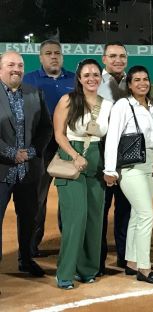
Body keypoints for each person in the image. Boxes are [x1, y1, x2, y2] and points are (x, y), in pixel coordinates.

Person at [52, 58, 113, 289]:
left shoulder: (107, 105)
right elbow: (59, 134)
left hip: (97, 159)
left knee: (95, 219)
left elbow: (110, 138)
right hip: (72, 157)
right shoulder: (68, 100)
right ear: (79, 78)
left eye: (95, 74)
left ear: (101, 77)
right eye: (86, 74)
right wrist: (75, 156)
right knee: (75, 218)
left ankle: (87, 269)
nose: (91, 78)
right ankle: (65, 272)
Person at [103, 65, 153, 284]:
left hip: (148, 164)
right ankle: (144, 268)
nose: (142, 83)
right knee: (147, 214)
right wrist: (110, 169)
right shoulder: (123, 105)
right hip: (130, 168)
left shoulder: (150, 106)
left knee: (138, 215)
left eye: (145, 79)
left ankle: (131, 261)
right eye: (136, 79)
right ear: (129, 84)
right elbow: (112, 137)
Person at [0, 51, 52, 277]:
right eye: (11, 64)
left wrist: (31, 151)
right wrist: (11, 153)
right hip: (2, 169)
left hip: (29, 171)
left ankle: (26, 258)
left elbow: (46, 128)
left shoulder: (34, 92)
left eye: (20, 65)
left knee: (29, 216)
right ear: (0, 68)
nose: (16, 69)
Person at [23, 39, 75, 257]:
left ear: (62, 56)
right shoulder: (30, 80)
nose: (53, 56)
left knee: (69, 196)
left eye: (57, 53)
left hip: (68, 145)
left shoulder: (74, 79)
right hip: (41, 147)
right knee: (38, 196)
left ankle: (70, 243)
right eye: (48, 53)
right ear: (40, 57)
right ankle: (32, 246)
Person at [97, 42, 131, 273]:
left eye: (122, 56)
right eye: (113, 56)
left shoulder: (133, 82)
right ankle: (97, 260)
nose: (118, 60)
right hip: (101, 156)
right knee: (101, 210)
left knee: (126, 211)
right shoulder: (94, 82)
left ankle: (124, 256)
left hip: (128, 157)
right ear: (104, 59)